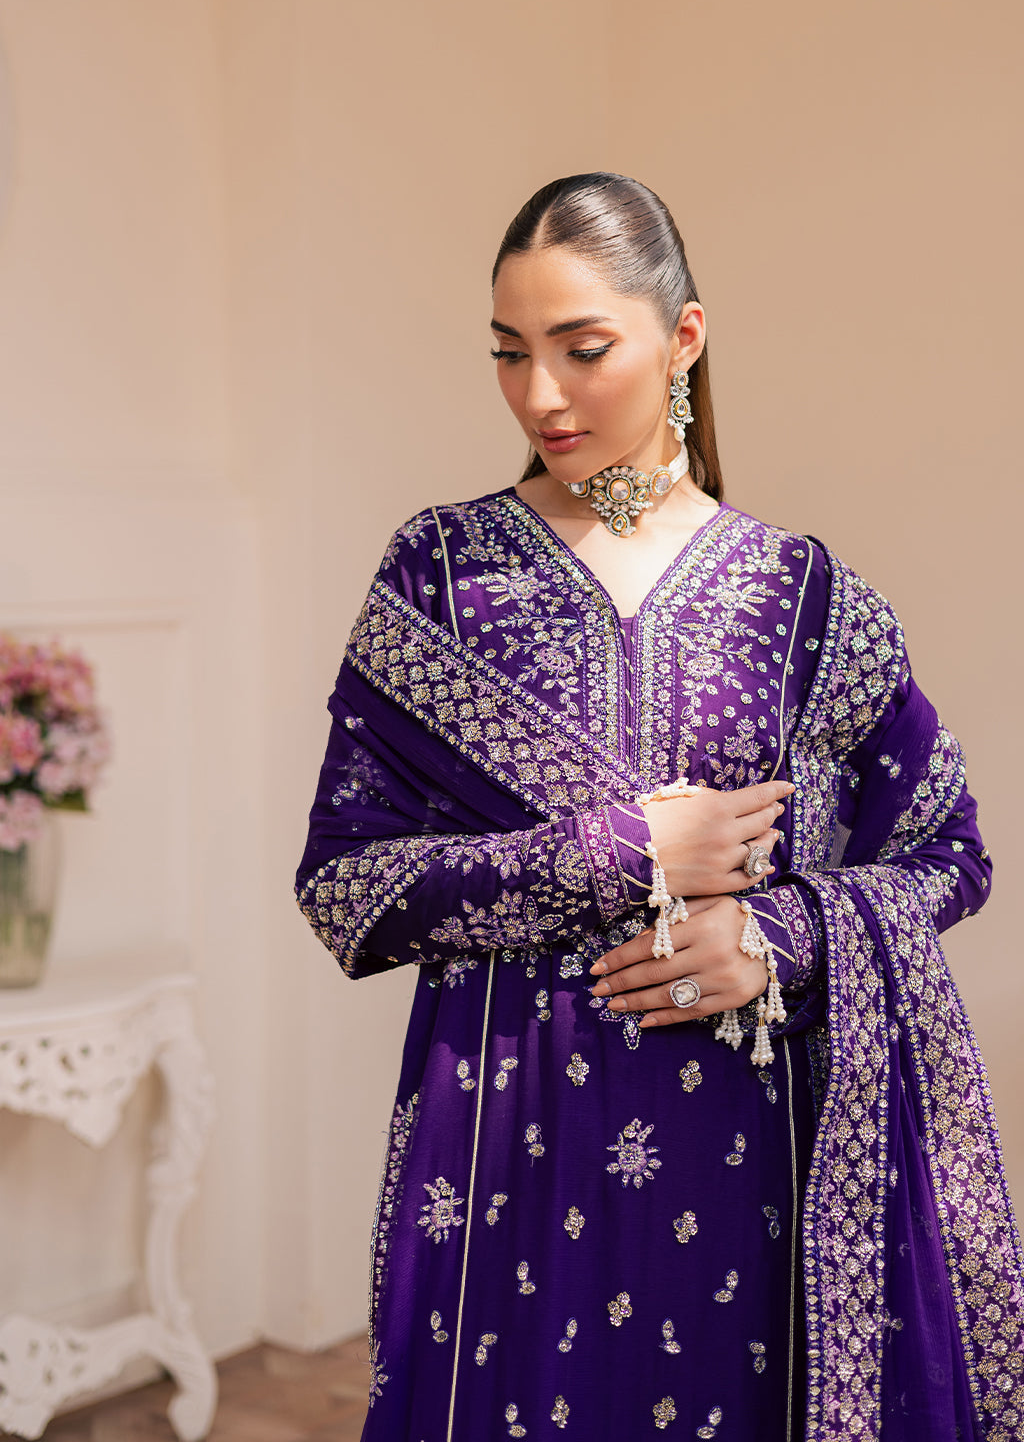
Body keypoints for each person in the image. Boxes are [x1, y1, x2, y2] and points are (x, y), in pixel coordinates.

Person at [295, 173, 1023, 1441]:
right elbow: (343, 887)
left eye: (582, 350)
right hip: (505, 1161)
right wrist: (622, 850)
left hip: (748, 1169)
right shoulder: (439, 575)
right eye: (509, 352)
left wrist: (778, 938)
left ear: (683, 337)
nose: (540, 395)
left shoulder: (800, 595)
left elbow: (946, 850)